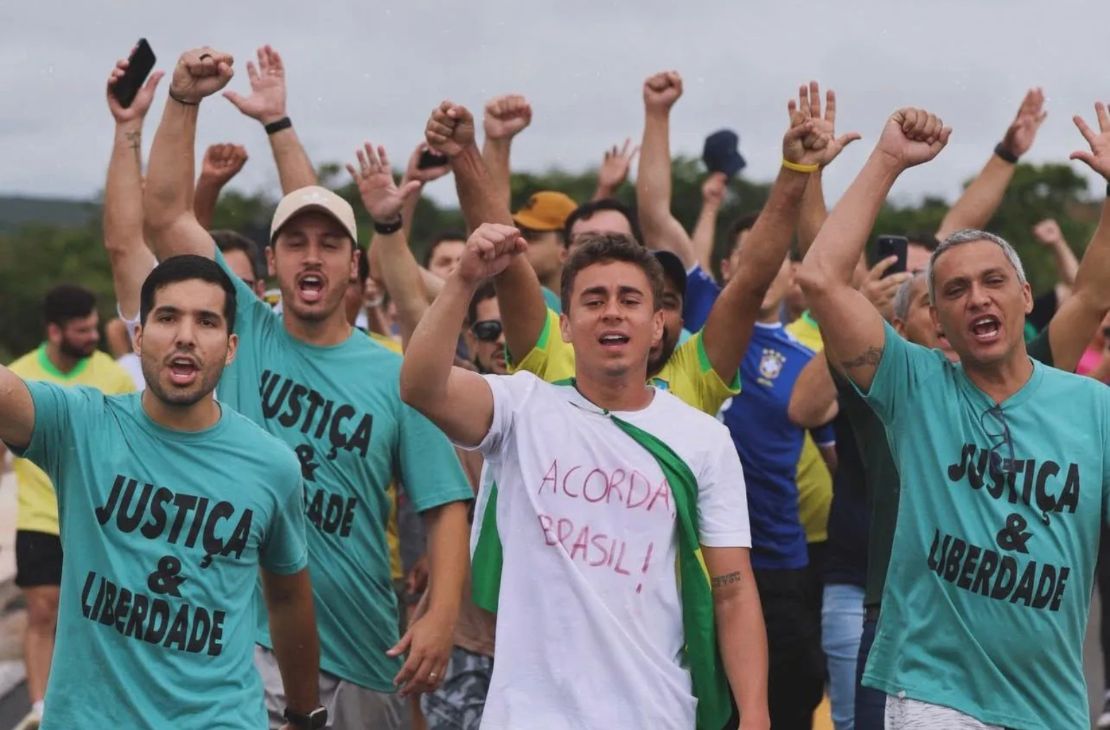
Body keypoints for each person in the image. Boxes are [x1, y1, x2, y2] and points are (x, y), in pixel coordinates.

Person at [142, 47, 472, 729]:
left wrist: (440, 617)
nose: (312, 255)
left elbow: (444, 503)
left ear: (356, 266)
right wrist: (182, 101)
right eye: (296, 243)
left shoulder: (394, 373)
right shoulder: (248, 333)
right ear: (272, 261)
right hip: (243, 643)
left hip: (361, 647)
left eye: (329, 244)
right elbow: (165, 214)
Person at [798, 103, 1110, 729]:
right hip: (932, 691)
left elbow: (1097, 292)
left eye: (994, 281)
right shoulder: (915, 387)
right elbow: (823, 278)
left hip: (1051, 703)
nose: (978, 298)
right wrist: (886, 161)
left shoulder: (1091, 405)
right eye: (955, 290)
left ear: (1026, 297)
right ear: (935, 321)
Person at [399, 224, 769, 730]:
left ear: (658, 324)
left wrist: (755, 713)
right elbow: (421, 386)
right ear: (567, 325)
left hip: (654, 712)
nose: (612, 311)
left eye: (630, 300)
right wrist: (464, 280)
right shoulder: (521, 406)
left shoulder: (702, 439)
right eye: (593, 300)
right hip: (528, 715)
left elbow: (733, 589)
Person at [0, 255, 321, 728]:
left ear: (231, 347)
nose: (185, 335)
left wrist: (304, 714)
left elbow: (289, 599)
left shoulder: (272, 466)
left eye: (207, 321)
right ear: (138, 336)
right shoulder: (80, 425)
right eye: (168, 317)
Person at [5, 283, 136, 728]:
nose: (94, 335)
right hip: (40, 515)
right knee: (42, 609)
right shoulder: (19, 376)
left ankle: (96, 701)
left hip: (97, 520)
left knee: (96, 615)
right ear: (55, 332)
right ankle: (41, 708)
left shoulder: (113, 377)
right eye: (83, 330)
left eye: (95, 326)